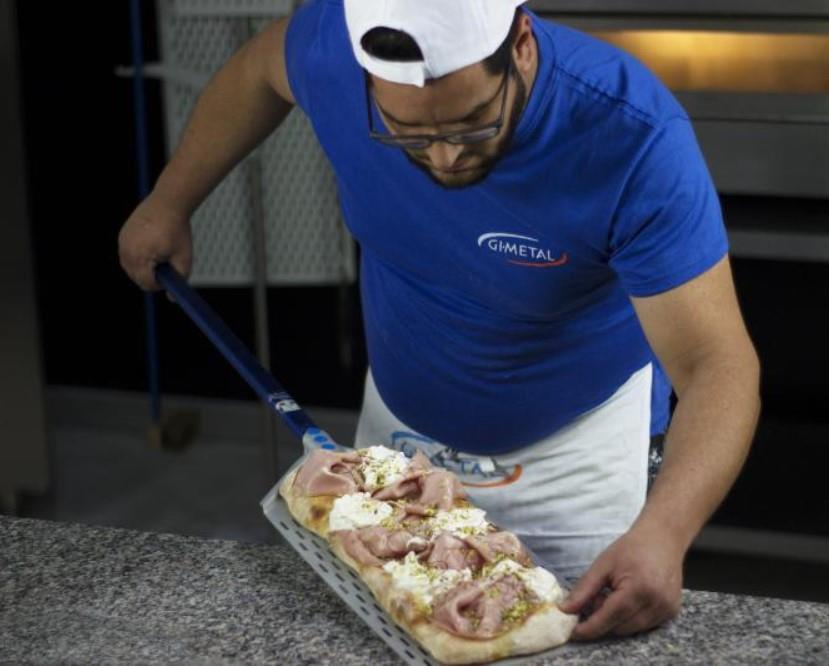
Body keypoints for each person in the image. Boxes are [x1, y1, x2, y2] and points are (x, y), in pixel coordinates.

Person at [118, 0, 761, 640]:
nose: (446, 157)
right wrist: (171, 200)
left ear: (522, 46)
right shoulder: (333, 49)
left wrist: (664, 533)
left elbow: (718, 364)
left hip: (574, 458)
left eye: (472, 124)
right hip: (396, 442)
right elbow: (259, 71)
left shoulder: (630, 135)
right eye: (406, 132)